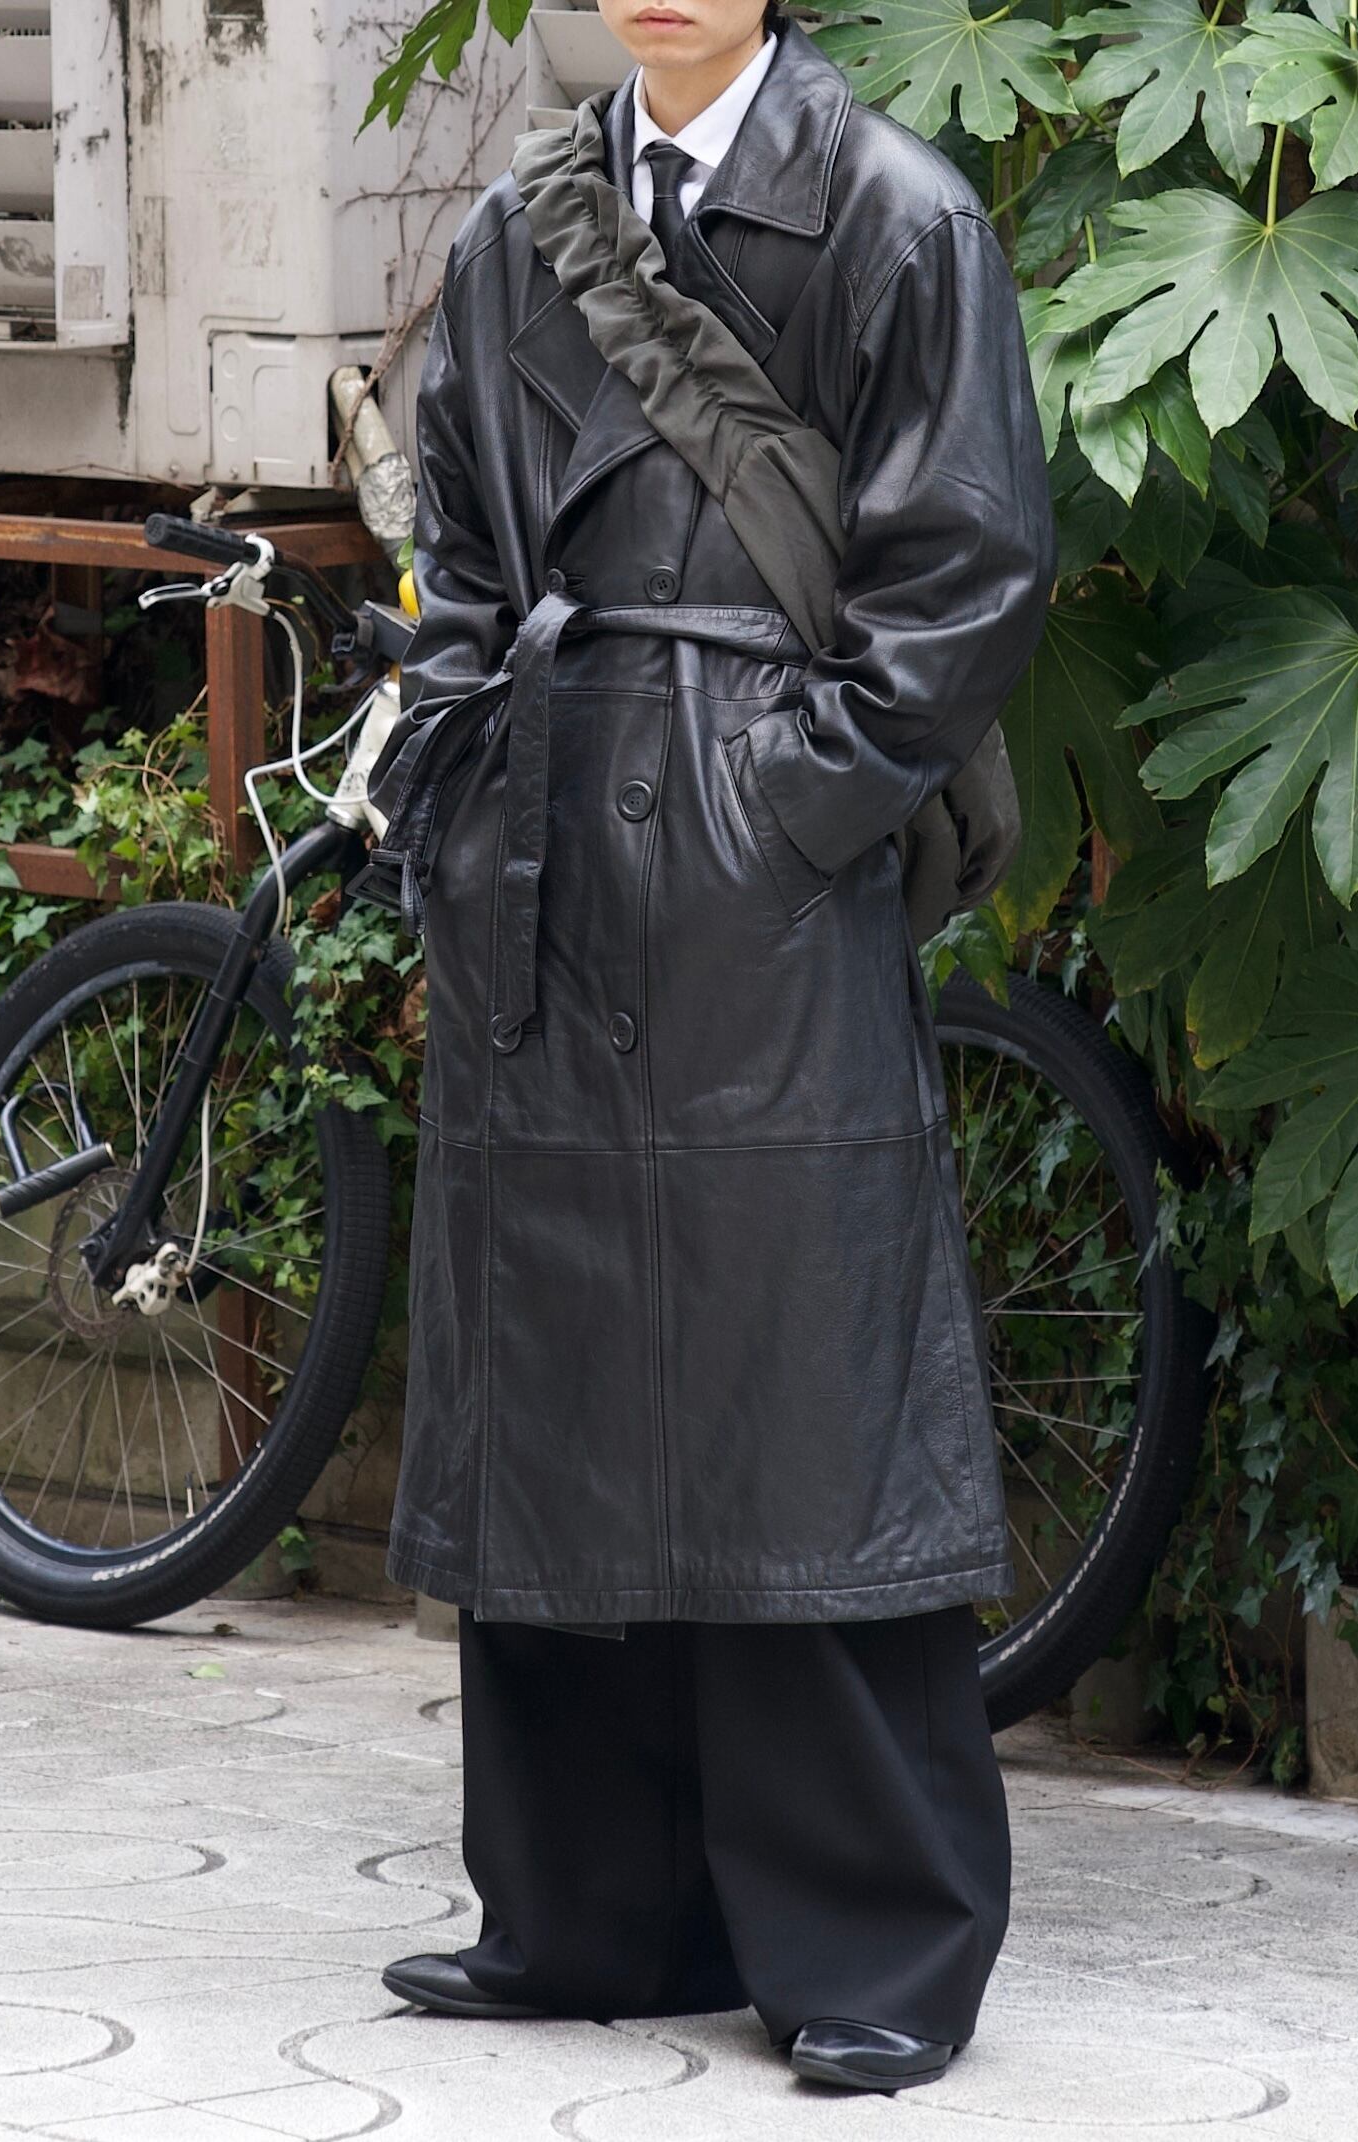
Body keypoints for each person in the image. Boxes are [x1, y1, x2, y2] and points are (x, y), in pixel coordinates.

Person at [374, 0, 1056, 2095]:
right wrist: (463, 780)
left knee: (795, 1400)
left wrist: (786, 805)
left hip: (756, 885)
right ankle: (588, 1908)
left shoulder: (897, 216)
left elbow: (967, 569)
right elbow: (461, 552)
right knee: (568, 1382)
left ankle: (872, 1941)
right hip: (547, 862)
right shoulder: (520, 227)